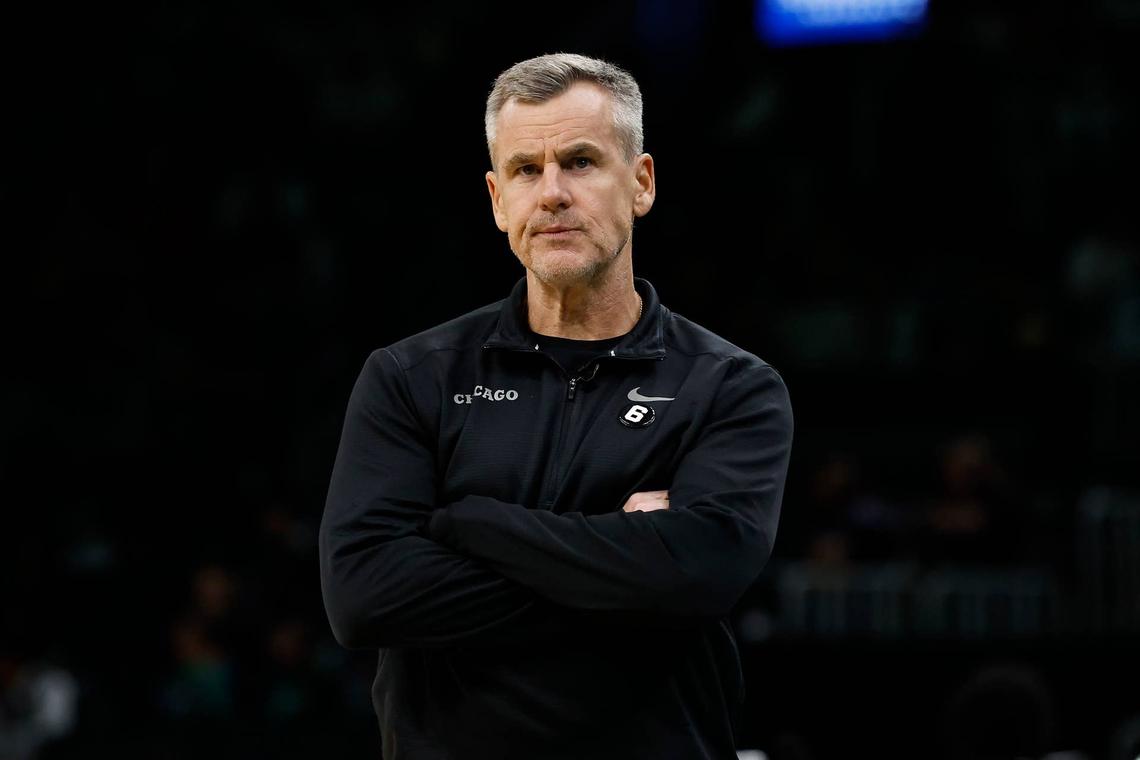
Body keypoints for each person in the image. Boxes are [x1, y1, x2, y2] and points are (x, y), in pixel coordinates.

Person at [319, 52, 794, 759]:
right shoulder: (410, 377)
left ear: (641, 183)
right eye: (525, 170)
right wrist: (623, 561)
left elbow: (698, 576)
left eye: (580, 162)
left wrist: (467, 523)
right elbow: (363, 599)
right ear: (496, 199)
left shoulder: (731, 387)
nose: (552, 194)